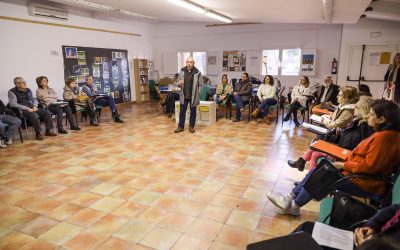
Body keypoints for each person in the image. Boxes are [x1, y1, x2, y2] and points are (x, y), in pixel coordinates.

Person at [267, 99, 400, 216]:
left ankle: (293, 205)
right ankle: (291, 201)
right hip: (358, 175)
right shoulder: (386, 134)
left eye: (371, 115)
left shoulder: (384, 138)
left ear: (382, 120)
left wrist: (342, 165)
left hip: (365, 182)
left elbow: (369, 167)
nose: (368, 117)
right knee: (320, 168)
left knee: (322, 174)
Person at [288, 96, 374, 171]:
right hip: (343, 150)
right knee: (316, 147)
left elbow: (350, 145)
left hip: (345, 155)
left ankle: (304, 173)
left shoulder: (362, 127)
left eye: (357, 107)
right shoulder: (356, 122)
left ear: (364, 110)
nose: (354, 108)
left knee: (315, 150)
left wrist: (337, 138)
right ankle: (305, 176)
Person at [290, 203, 400, 249]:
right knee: (308, 228)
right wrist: (371, 225)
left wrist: (370, 244)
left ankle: (294, 200)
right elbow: (394, 209)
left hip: (370, 246)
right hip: (367, 239)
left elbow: (368, 166)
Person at [174, 57, 202, 133]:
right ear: (186, 63)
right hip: (184, 95)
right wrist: (178, 84)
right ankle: (180, 127)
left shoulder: (198, 72)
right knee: (182, 112)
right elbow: (177, 83)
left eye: (191, 62)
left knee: (193, 112)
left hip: (193, 96)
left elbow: (200, 85)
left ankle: (191, 127)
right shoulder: (181, 71)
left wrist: (198, 94)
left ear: (194, 63)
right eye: (187, 62)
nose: (189, 64)